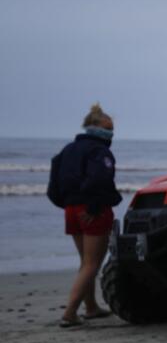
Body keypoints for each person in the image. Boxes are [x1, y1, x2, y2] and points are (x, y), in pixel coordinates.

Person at [47, 103, 122, 327]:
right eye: (108, 129)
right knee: (91, 264)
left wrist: (67, 205)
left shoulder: (67, 150)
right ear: (94, 127)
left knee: (85, 262)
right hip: (92, 210)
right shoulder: (99, 152)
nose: (110, 133)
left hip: (71, 210)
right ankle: (70, 312)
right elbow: (100, 180)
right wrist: (92, 208)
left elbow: (54, 186)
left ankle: (91, 307)